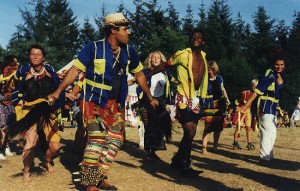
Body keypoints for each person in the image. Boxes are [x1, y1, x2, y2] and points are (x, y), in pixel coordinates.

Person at [47, 12, 158, 191]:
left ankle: (98, 176)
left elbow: (139, 74)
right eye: (125, 29)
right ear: (113, 30)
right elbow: (75, 70)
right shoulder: (93, 47)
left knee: (115, 141)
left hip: (113, 104)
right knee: (97, 140)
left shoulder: (129, 51)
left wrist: (150, 97)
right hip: (91, 101)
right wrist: (58, 91)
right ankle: (90, 184)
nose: (129, 32)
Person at [144, 29, 208, 176]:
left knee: (190, 134)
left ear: (203, 42)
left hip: (197, 99)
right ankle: (185, 164)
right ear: (190, 40)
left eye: (199, 37)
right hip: (183, 98)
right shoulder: (182, 54)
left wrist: (203, 98)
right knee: (190, 131)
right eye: (193, 36)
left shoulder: (204, 57)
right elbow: (164, 65)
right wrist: (146, 75)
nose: (196, 38)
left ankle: (177, 159)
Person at [6, 44, 64, 182]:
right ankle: (26, 170)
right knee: (31, 142)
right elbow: (15, 89)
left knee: (55, 147)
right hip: (29, 109)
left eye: (38, 54)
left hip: (47, 109)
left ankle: (47, 160)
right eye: (32, 54)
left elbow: (59, 88)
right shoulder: (23, 71)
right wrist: (18, 101)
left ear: (43, 57)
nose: (35, 56)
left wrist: (59, 103)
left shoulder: (50, 70)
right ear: (29, 56)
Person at [238, 49, 286, 164]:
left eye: (282, 65)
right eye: (277, 65)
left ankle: (269, 155)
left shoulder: (279, 74)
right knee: (267, 131)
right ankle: (264, 158)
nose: (279, 67)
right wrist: (246, 106)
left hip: (273, 107)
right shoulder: (269, 74)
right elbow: (257, 91)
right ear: (273, 64)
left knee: (272, 132)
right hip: (265, 105)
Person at [136, 51, 173, 159]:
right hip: (147, 101)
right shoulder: (145, 72)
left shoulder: (165, 72)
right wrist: (149, 99)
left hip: (160, 101)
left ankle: (154, 149)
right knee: (149, 126)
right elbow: (139, 85)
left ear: (162, 60)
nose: (156, 60)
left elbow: (171, 80)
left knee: (160, 127)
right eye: (154, 58)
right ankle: (149, 151)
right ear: (150, 60)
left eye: (158, 58)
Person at [201, 60, 230, 155]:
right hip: (208, 105)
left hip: (219, 105)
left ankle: (215, 146)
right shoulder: (204, 79)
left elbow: (223, 89)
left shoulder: (219, 78)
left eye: (212, 70)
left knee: (218, 127)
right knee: (208, 127)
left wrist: (227, 98)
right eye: (209, 70)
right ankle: (204, 148)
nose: (210, 72)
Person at [0, 55, 19, 160]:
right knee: (2, 127)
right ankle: (0, 150)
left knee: (9, 128)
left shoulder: (15, 76)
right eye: (14, 63)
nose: (16, 65)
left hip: (10, 104)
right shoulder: (1, 75)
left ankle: (6, 145)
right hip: (0, 104)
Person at [232, 79, 258, 150]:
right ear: (251, 86)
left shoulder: (257, 94)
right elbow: (239, 101)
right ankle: (235, 142)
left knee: (248, 127)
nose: (254, 88)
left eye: (256, 86)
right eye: (254, 86)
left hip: (249, 111)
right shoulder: (245, 93)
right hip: (243, 110)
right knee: (239, 127)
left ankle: (249, 143)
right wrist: (239, 108)